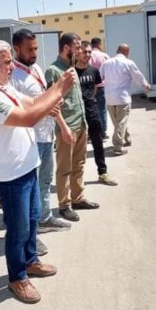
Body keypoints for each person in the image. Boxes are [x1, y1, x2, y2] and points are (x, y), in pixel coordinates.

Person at [0, 39, 75, 304]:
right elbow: (28, 118)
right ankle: (17, 277)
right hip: (10, 177)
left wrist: (54, 93)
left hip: (27, 169)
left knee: (32, 221)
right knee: (18, 230)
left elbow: (34, 102)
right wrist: (60, 89)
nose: (11, 67)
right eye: (7, 62)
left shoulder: (5, 88)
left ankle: (30, 261)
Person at [10, 29, 72, 237]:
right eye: (29, 49)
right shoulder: (13, 77)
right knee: (31, 188)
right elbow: (18, 111)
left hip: (46, 136)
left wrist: (61, 124)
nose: (34, 53)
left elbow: (47, 100)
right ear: (16, 49)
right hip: (30, 140)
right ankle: (31, 231)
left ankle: (45, 217)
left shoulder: (36, 68)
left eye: (36, 48)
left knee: (45, 180)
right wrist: (46, 107)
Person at [45, 33, 100, 222]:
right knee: (64, 169)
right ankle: (64, 205)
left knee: (79, 165)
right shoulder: (53, 71)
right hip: (67, 128)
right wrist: (64, 128)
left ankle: (78, 198)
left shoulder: (72, 68)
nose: (79, 51)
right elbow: (53, 103)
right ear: (66, 48)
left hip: (80, 124)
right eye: (77, 47)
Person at [75, 41, 118, 186]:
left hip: (92, 111)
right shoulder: (71, 72)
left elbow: (94, 89)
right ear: (77, 53)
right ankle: (75, 180)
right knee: (77, 148)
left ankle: (102, 173)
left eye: (89, 52)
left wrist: (90, 103)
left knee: (98, 144)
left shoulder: (94, 71)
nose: (87, 55)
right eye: (84, 52)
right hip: (76, 114)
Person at [100, 43, 151, 155]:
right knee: (121, 122)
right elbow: (137, 76)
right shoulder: (128, 62)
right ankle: (117, 147)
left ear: (117, 51)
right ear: (127, 52)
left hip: (110, 98)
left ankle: (127, 139)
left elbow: (99, 77)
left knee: (118, 122)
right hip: (123, 98)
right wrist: (146, 85)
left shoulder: (106, 63)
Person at [89, 37, 110, 139]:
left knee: (90, 110)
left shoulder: (88, 55)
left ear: (92, 44)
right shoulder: (104, 56)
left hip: (90, 87)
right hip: (101, 86)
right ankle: (103, 132)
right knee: (102, 109)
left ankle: (92, 132)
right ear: (99, 44)